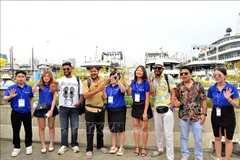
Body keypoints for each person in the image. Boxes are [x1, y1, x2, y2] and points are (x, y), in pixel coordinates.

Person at [173, 66, 207, 160]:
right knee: (184, 137)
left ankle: (198, 156)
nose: (183, 75)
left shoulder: (198, 85)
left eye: (186, 73)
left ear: (191, 74)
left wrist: (204, 114)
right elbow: (177, 101)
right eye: (182, 74)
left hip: (197, 116)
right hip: (183, 116)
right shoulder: (179, 86)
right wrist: (176, 104)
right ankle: (185, 154)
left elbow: (203, 100)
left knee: (198, 138)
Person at [207, 68, 239, 160]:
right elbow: (212, 102)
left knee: (228, 138)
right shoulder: (211, 89)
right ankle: (218, 158)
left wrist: (229, 99)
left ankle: (227, 158)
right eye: (215, 75)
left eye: (219, 75)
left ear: (225, 76)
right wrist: (214, 112)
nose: (217, 77)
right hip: (216, 113)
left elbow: (236, 104)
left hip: (228, 113)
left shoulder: (232, 88)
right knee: (217, 137)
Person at [3, 70, 34, 157]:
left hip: (27, 112)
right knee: (16, 130)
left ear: (25, 78)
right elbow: (5, 98)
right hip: (16, 112)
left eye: (22, 76)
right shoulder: (11, 88)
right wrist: (10, 96)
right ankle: (17, 147)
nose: (20, 78)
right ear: (16, 78)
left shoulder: (29, 88)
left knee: (28, 130)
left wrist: (32, 111)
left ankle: (28, 145)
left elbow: (31, 99)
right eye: (19, 76)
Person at [149, 61, 176, 160]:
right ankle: (160, 149)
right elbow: (153, 94)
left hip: (167, 108)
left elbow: (173, 92)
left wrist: (172, 106)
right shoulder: (153, 80)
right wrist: (150, 82)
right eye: (155, 68)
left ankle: (170, 156)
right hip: (157, 108)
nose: (156, 70)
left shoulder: (168, 78)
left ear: (162, 69)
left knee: (168, 134)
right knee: (158, 131)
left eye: (159, 68)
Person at [82, 66, 109, 159]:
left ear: (98, 71)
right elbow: (85, 95)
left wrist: (115, 70)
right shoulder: (86, 82)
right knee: (90, 131)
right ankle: (89, 149)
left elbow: (112, 78)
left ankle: (100, 146)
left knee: (100, 130)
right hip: (90, 110)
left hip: (100, 109)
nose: (93, 73)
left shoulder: (103, 80)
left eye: (95, 71)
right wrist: (97, 90)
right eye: (92, 71)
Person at [125, 65, 152, 157]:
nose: (139, 72)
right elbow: (128, 93)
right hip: (135, 105)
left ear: (144, 72)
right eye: (137, 70)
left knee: (144, 128)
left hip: (144, 105)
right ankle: (137, 147)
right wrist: (128, 86)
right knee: (136, 127)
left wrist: (145, 112)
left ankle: (144, 147)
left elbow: (148, 98)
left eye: (141, 70)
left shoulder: (146, 83)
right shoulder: (133, 82)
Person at [56, 62, 82, 155]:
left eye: (68, 69)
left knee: (75, 127)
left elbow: (81, 94)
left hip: (74, 108)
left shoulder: (77, 80)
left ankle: (74, 144)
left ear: (72, 69)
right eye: (64, 69)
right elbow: (54, 90)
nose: (66, 70)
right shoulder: (59, 80)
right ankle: (64, 145)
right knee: (64, 128)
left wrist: (79, 102)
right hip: (63, 107)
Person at [32, 70, 59, 153]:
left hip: (51, 107)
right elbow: (35, 89)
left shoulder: (53, 85)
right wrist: (34, 90)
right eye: (44, 76)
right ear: (42, 77)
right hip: (41, 107)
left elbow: (54, 98)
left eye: (48, 76)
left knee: (51, 126)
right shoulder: (39, 85)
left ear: (50, 77)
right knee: (42, 127)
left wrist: (51, 110)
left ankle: (51, 143)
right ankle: (43, 145)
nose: (46, 78)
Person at [106, 72, 127, 156]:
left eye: (114, 77)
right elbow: (105, 96)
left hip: (120, 109)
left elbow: (123, 90)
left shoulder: (121, 85)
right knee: (113, 129)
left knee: (121, 129)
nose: (112, 78)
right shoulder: (107, 87)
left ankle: (121, 147)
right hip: (110, 109)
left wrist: (118, 81)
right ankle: (114, 146)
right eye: (111, 77)